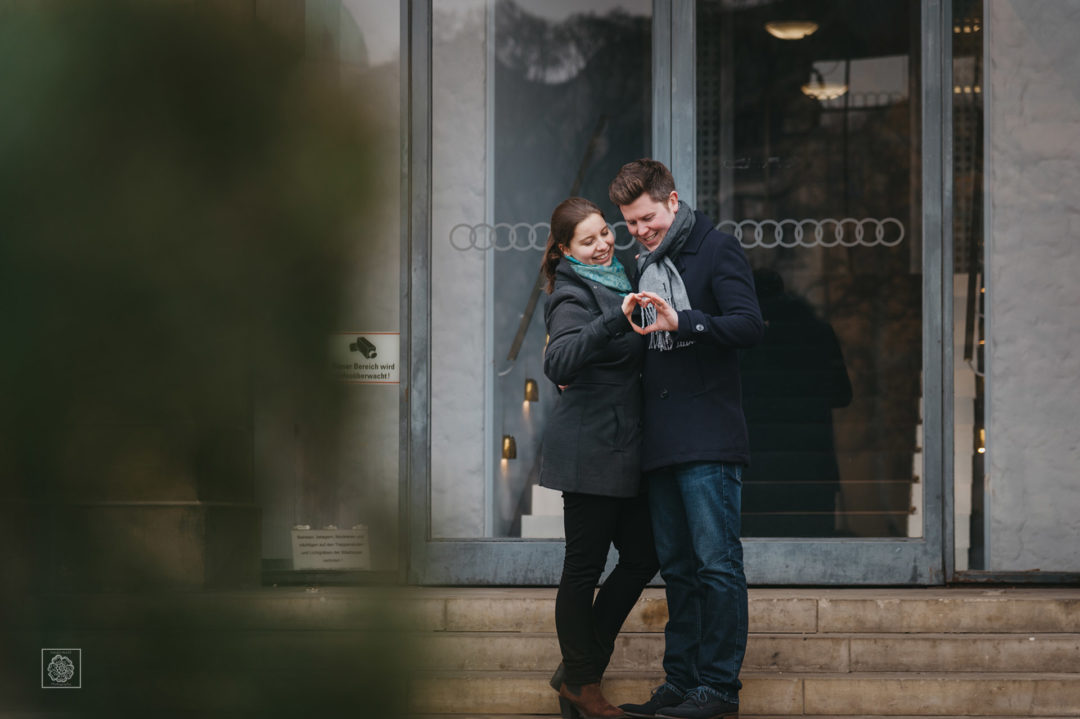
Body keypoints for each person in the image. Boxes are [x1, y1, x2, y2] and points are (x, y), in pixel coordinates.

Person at [610, 160, 764, 719]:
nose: (640, 231)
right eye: (630, 223)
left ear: (672, 201)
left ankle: (718, 689)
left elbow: (749, 326)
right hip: (659, 443)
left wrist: (687, 322)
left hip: (709, 439)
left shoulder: (717, 249)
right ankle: (681, 682)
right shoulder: (640, 265)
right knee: (676, 569)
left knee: (716, 566)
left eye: (647, 218)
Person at [540, 197, 660, 719]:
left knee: (642, 556)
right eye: (587, 241)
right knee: (583, 569)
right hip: (590, 449)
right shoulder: (570, 292)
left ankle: (578, 670)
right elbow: (558, 360)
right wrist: (614, 319)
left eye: (605, 233)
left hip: (623, 445)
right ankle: (584, 681)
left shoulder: (626, 271)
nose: (603, 244)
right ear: (566, 249)